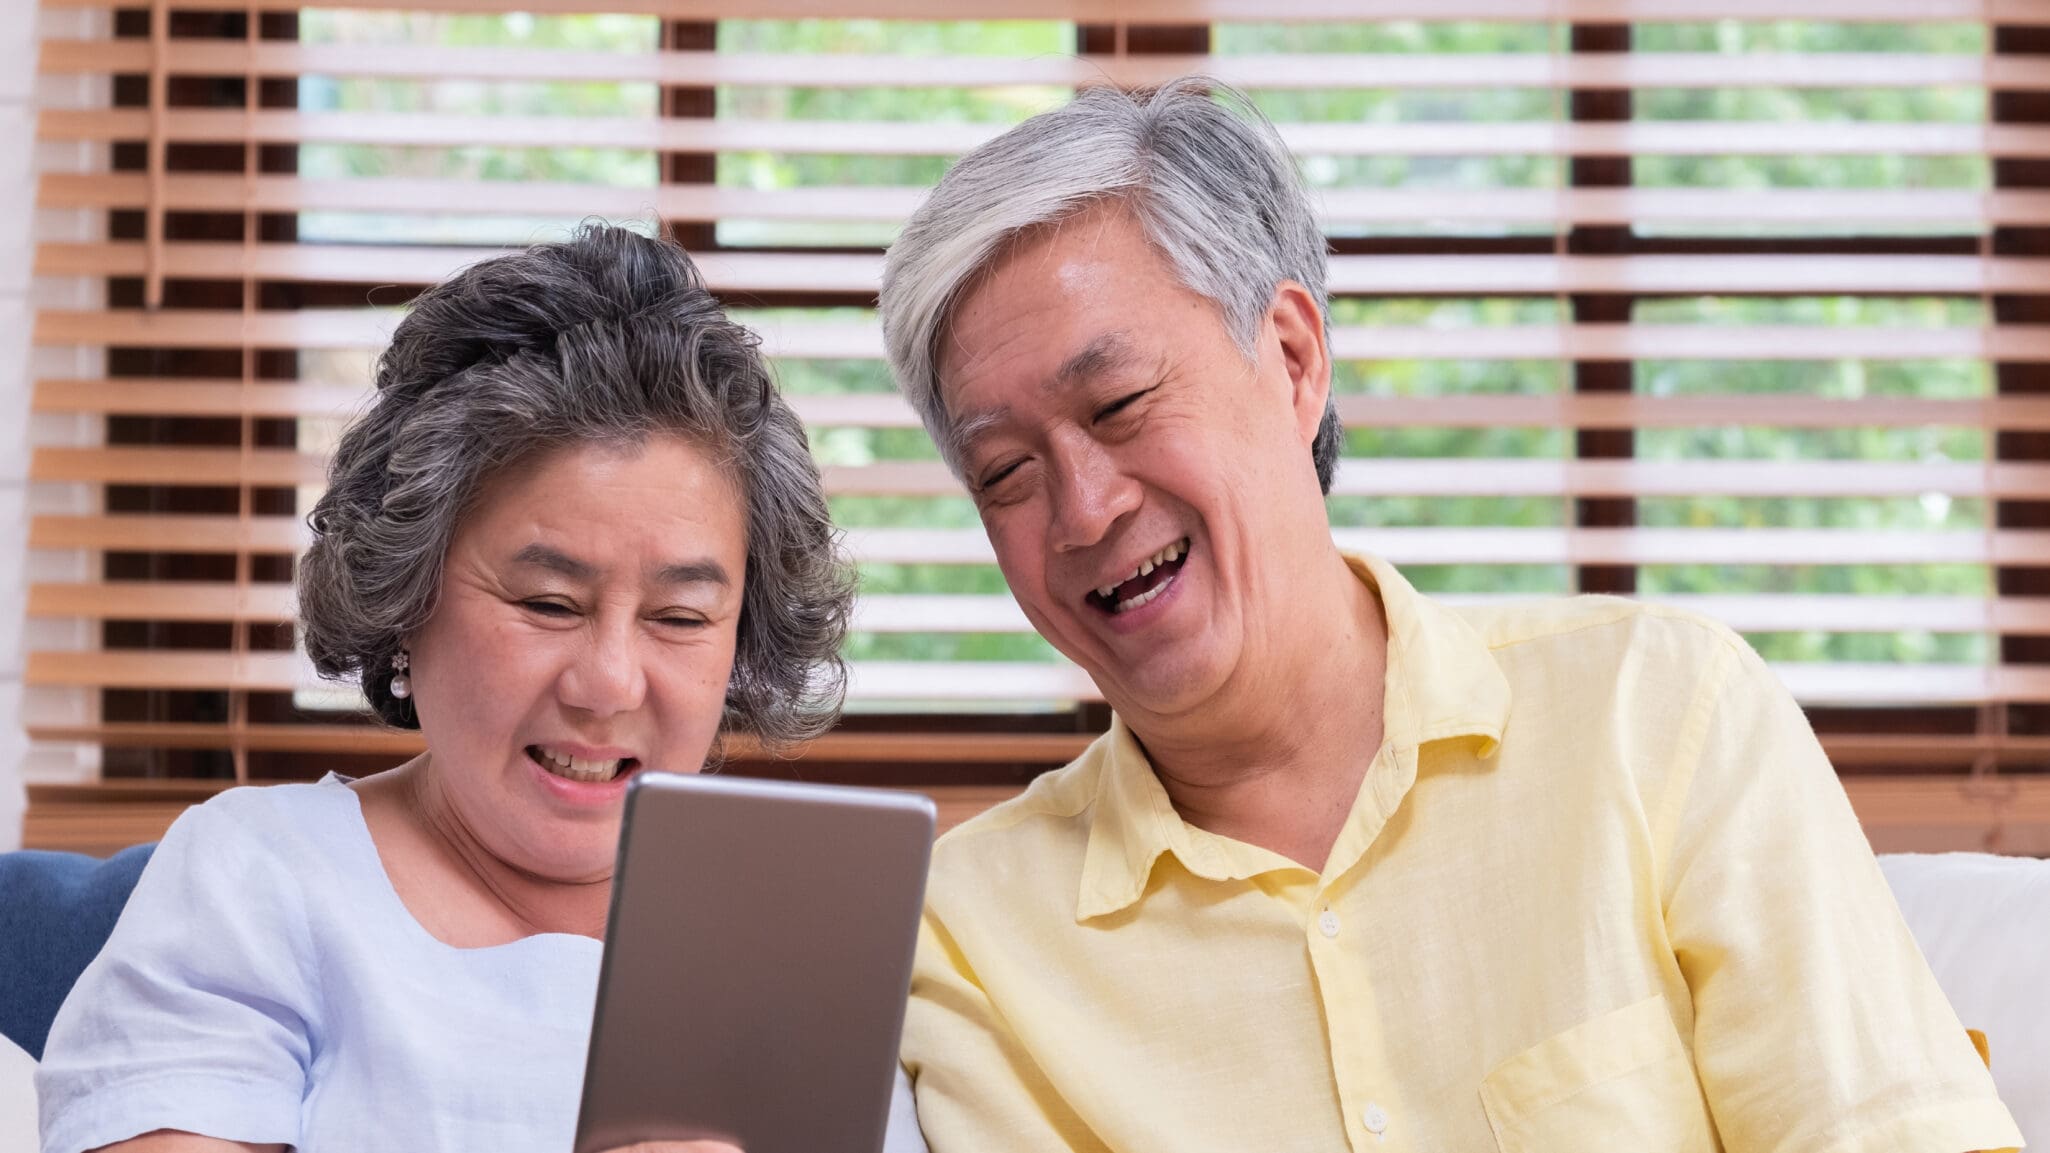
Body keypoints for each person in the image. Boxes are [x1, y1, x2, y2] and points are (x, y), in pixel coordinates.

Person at [878, 79, 2024, 1153]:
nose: (1081, 509)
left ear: (1289, 359)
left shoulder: (1659, 714)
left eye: (1119, 404)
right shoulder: (970, 941)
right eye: (1005, 475)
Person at [38, 225, 924, 1153]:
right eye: (547, 602)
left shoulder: (807, 940)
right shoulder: (263, 875)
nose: (609, 682)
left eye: (680, 617)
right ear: (408, 593)